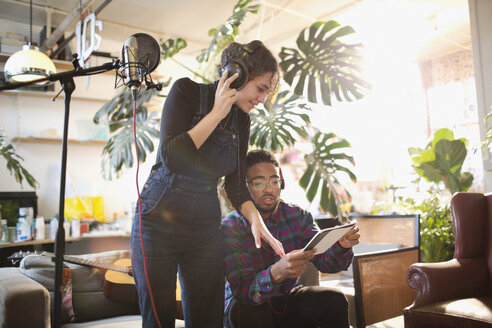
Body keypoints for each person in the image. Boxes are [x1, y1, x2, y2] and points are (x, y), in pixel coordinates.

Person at [130, 40, 285, 328]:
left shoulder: (242, 121)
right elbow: (172, 156)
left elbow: (236, 184)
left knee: (207, 319)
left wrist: (256, 223)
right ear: (237, 74)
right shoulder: (185, 91)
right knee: (158, 320)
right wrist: (217, 112)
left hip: (203, 226)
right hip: (156, 222)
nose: (262, 98)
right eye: (261, 88)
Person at [222, 150, 360, 328]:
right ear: (244, 188)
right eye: (259, 183)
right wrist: (275, 273)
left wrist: (342, 246)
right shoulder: (232, 226)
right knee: (251, 314)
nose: (269, 189)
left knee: (333, 299)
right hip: (245, 307)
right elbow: (244, 292)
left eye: (274, 181)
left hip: (285, 300)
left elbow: (329, 264)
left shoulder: (298, 216)